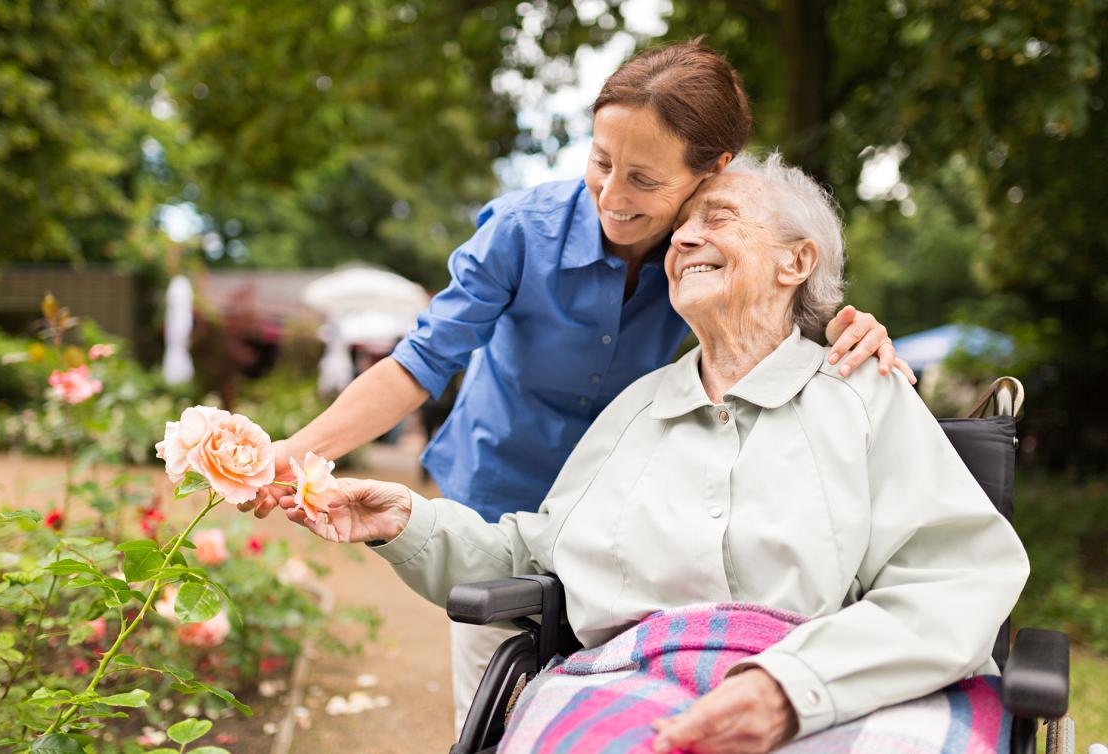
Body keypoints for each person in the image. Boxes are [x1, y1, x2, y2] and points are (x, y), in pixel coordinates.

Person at [241, 40, 912, 731]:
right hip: (496, 494)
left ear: (711, 173)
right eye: (600, 162)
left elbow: (781, 302)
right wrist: (300, 449)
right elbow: (422, 360)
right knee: (493, 712)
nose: (613, 198)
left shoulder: (703, 248)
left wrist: (852, 329)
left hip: (622, 523)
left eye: (645, 181)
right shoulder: (520, 232)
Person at [281, 153, 1029, 753]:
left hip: (840, 685)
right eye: (681, 229)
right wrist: (404, 521)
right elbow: (539, 555)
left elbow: (958, 578)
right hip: (633, 684)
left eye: (720, 218)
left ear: (794, 262)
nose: (683, 238)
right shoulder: (637, 409)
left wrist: (791, 687)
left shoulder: (866, 396)